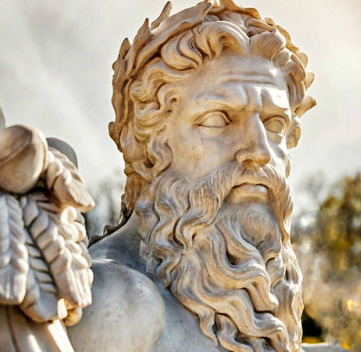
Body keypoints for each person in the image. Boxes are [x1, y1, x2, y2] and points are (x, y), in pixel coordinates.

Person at [68, 1, 315, 351]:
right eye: (218, 119)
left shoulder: (265, 295)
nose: (259, 150)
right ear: (147, 145)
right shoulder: (118, 303)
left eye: (275, 125)